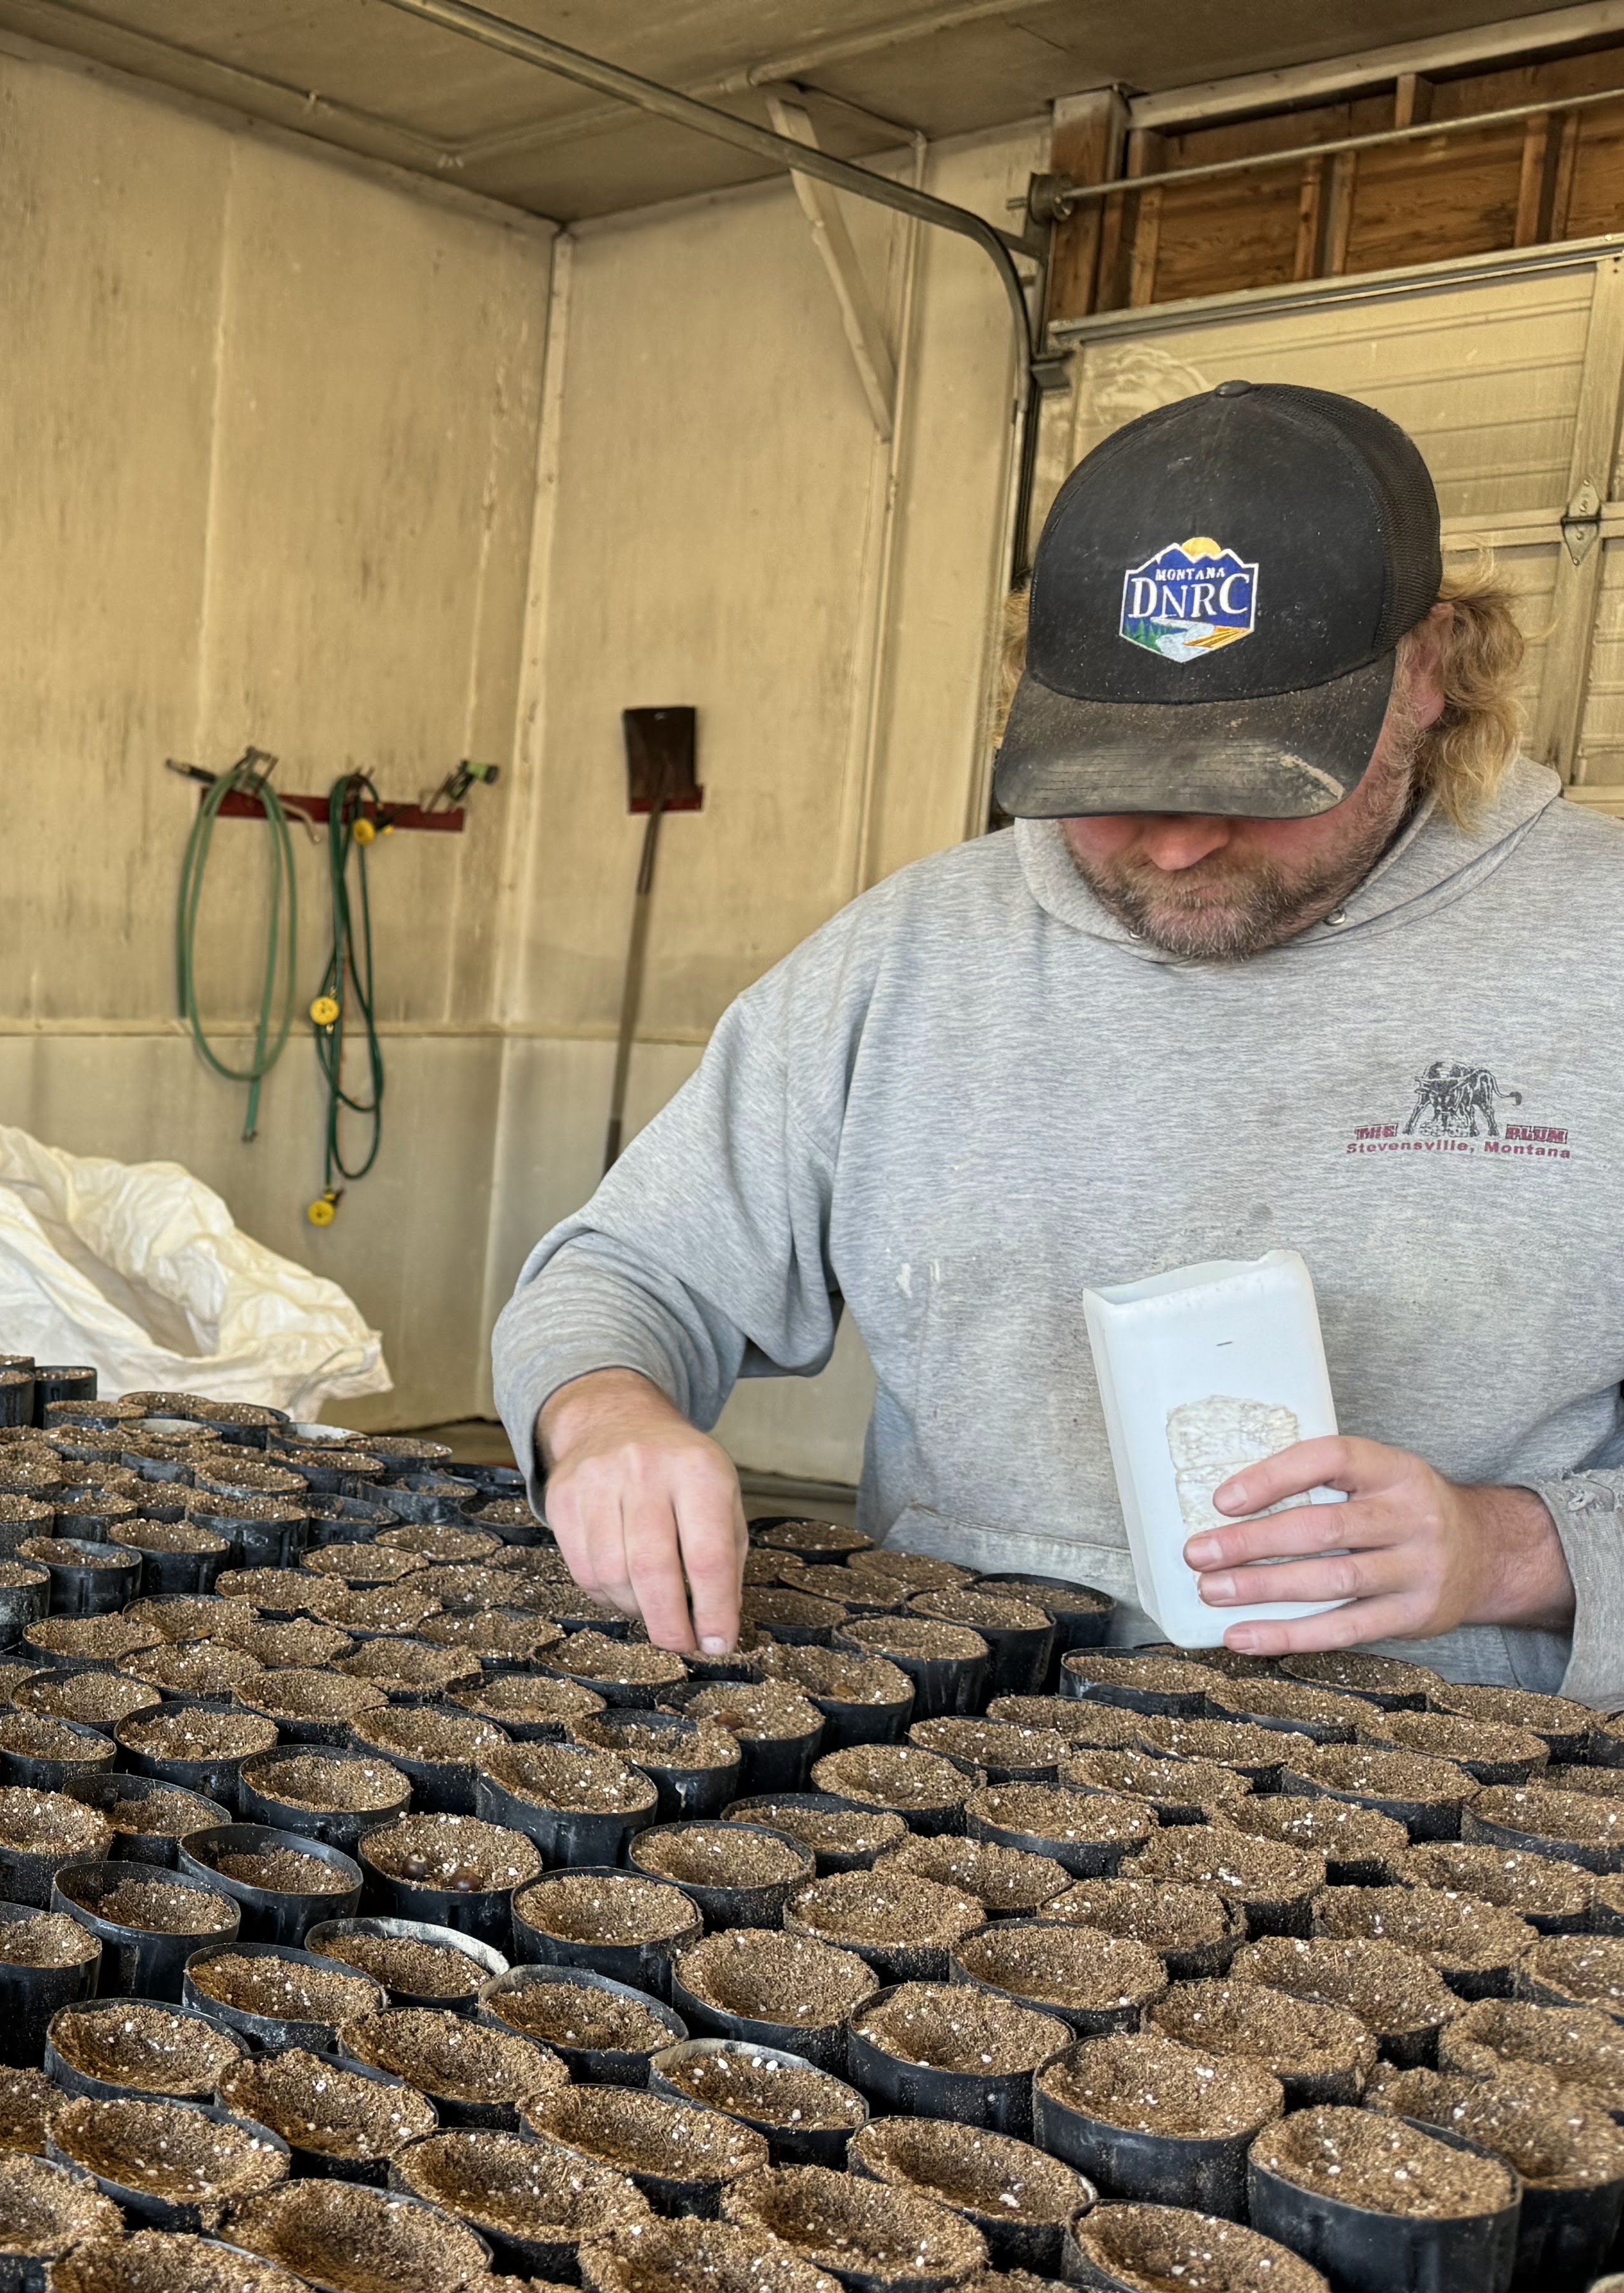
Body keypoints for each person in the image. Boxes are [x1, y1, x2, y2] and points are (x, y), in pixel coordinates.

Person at [493, 380, 1624, 1696]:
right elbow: (627, 1271)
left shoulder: (1596, 953)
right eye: (1123, 779)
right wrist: (608, 1417)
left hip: (1458, 1825)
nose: (1183, 841)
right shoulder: (907, 958)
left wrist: (1511, 1550)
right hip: (942, 1784)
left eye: (1263, 782)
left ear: (1428, 671)